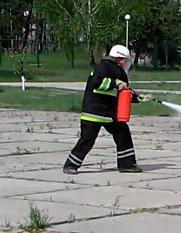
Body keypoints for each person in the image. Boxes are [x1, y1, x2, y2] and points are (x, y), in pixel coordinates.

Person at [63, 45, 150, 174]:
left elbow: (123, 93)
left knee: (123, 134)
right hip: (93, 113)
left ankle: (127, 164)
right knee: (87, 140)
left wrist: (138, 97)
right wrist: (115, 83)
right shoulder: (103, 67)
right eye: (124, 60)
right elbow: (97, 83)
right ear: (118, 58)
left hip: (110, 114)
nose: (126, 63)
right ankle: (70, 165)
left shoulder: (119, 71)